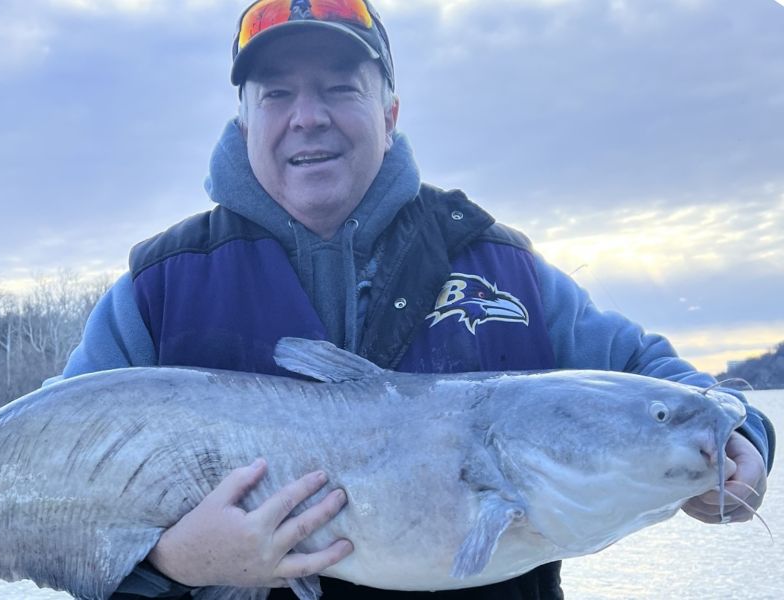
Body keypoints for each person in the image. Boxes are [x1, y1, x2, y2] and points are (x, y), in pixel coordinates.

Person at [61, 1, 775, 598]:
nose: (308, 116)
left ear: (390, 111)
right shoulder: (161, 286)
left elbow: (670, 386)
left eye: (341, 88)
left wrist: (744, 443)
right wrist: (170, 564)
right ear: (245, 121)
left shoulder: (501, 264)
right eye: (276, 94)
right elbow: (49, 481)